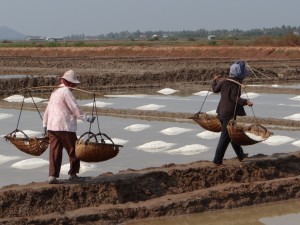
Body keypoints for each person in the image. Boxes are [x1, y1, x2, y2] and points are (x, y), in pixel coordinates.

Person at [43, 70, 95, 184]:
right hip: (64, 126)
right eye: (74, 84)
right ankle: (73, 174)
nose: (74, 86)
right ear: (70, 83)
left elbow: (48, 109)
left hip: (52, 126)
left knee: (54, 151)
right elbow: (74, 108)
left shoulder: (55, 91)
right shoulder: (66, 91)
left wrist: (45, 124)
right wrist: (86, 118)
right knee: (74, 150)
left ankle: (52, 176)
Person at [211, 61, 253, 166]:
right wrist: (246, 102)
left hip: (221, 112)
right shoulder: (236, 85)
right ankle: (217, 161)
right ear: (239, 73)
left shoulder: (224, 81)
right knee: (225, 138)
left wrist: (214, 81)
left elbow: (215, 90)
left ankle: (241, 155)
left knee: (232, 134)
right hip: (229, 114)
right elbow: (234, 98)